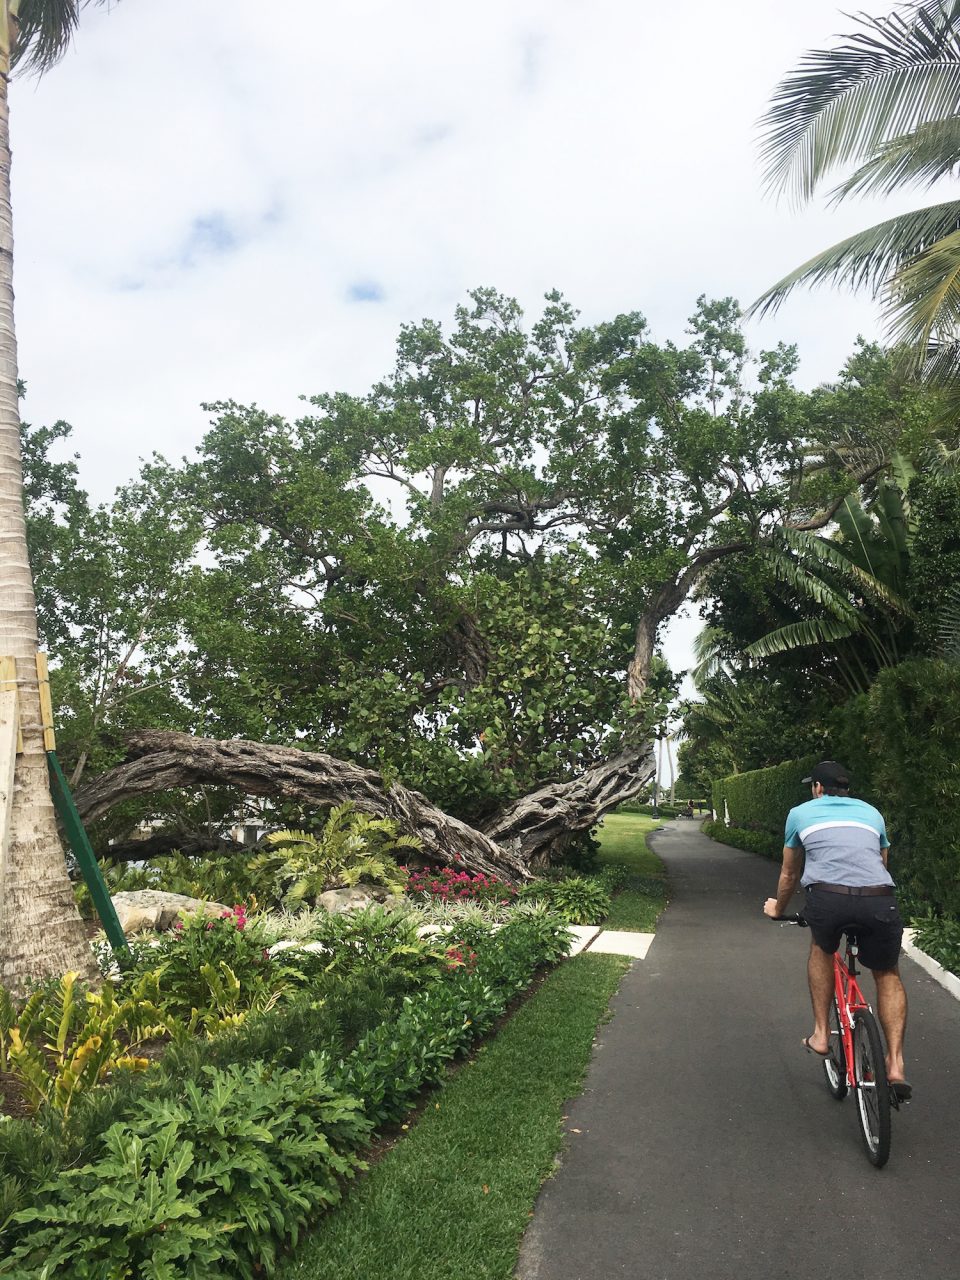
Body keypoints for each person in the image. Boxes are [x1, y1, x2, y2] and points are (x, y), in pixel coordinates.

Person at [762, 760, 911, 1100]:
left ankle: (818, 1034)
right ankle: (897, 1064)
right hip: (879, 898)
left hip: (829, 900)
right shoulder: (872, 813)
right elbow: (881, 861)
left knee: (822, 949)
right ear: (847, 790)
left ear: (817, 788)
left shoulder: (800, 814)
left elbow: (789, 873)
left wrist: (778, 909)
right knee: (887, 973)